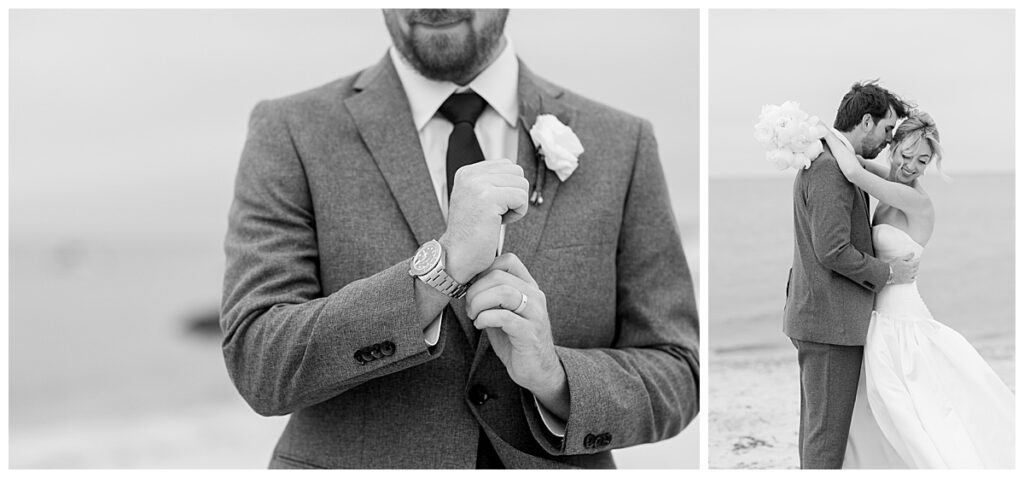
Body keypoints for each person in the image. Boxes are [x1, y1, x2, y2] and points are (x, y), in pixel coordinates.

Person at [220, 9, 698, 469]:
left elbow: (678, 373)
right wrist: (437, 273)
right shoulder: (291, 129)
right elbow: (259, 364)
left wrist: (555, 378)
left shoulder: (623, 142)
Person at [819, 112, 1015, 469]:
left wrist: (817, 129)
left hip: (902, 320)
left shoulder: (917, 201)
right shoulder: (892, 183)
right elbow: (859, 161)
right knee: (883, 410)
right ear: (892, 149)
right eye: (906, 155)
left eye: (922, 160)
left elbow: (854, 172)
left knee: (912, 412)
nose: (911, 166)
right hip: (877, 317)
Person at [782, 82, 920, 469]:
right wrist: (889, 272)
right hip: (830, 324)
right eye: (887, 130)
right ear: (865, 120)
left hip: (825, 317)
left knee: (819, 429)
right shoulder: (830, 170)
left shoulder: (837, 161)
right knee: (826, 437)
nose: (888, 140)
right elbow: (832, 250)